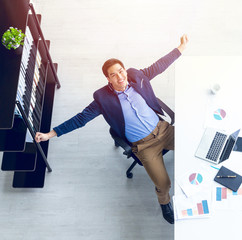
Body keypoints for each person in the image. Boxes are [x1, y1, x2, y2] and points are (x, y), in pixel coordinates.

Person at [35, 34, 189, 224]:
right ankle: (164, 203)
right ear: (108, 79)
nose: (120, 77)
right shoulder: (102, 98)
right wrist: (50, 134)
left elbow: (159, 65)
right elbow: (80, 119)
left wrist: (180, 48)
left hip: (163, 130)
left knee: (191, 146)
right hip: (144, 147)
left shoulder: (136, 75)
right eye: (113, 75)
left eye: (121, 71)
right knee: (163, 183)